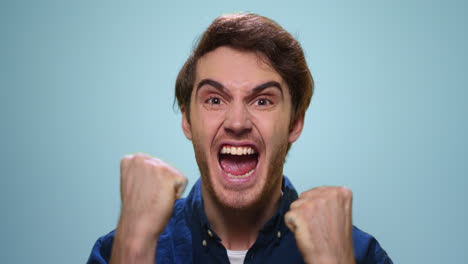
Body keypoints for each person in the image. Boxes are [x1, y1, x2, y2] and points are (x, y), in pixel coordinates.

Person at [88, 13, 392, 264]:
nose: (237, 123)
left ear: (295, 122)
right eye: (215, 100)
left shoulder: (358, 255)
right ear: (187, 119)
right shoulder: (118, 251)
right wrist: (135, 250)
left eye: (262, 101)